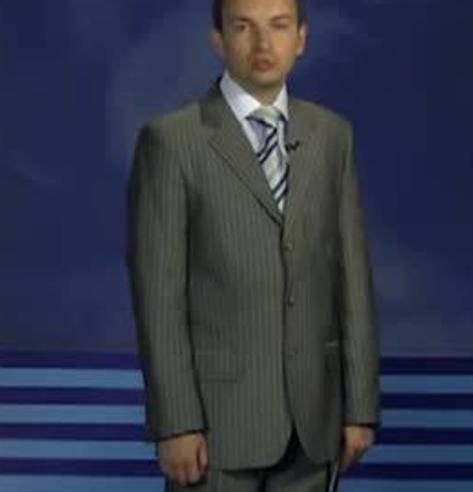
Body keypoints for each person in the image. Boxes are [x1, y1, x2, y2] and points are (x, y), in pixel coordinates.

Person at [126, 0, 379, 489]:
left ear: (301, 39)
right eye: (244, 27)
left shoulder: (332, 137)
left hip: (315, 424)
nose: (263, 44)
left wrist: (360, 406)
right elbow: (159, 297)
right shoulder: (172, 142)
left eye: (278, 26)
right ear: (218, 39)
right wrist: (175, 422)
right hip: (216, 429)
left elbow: (352, 278)